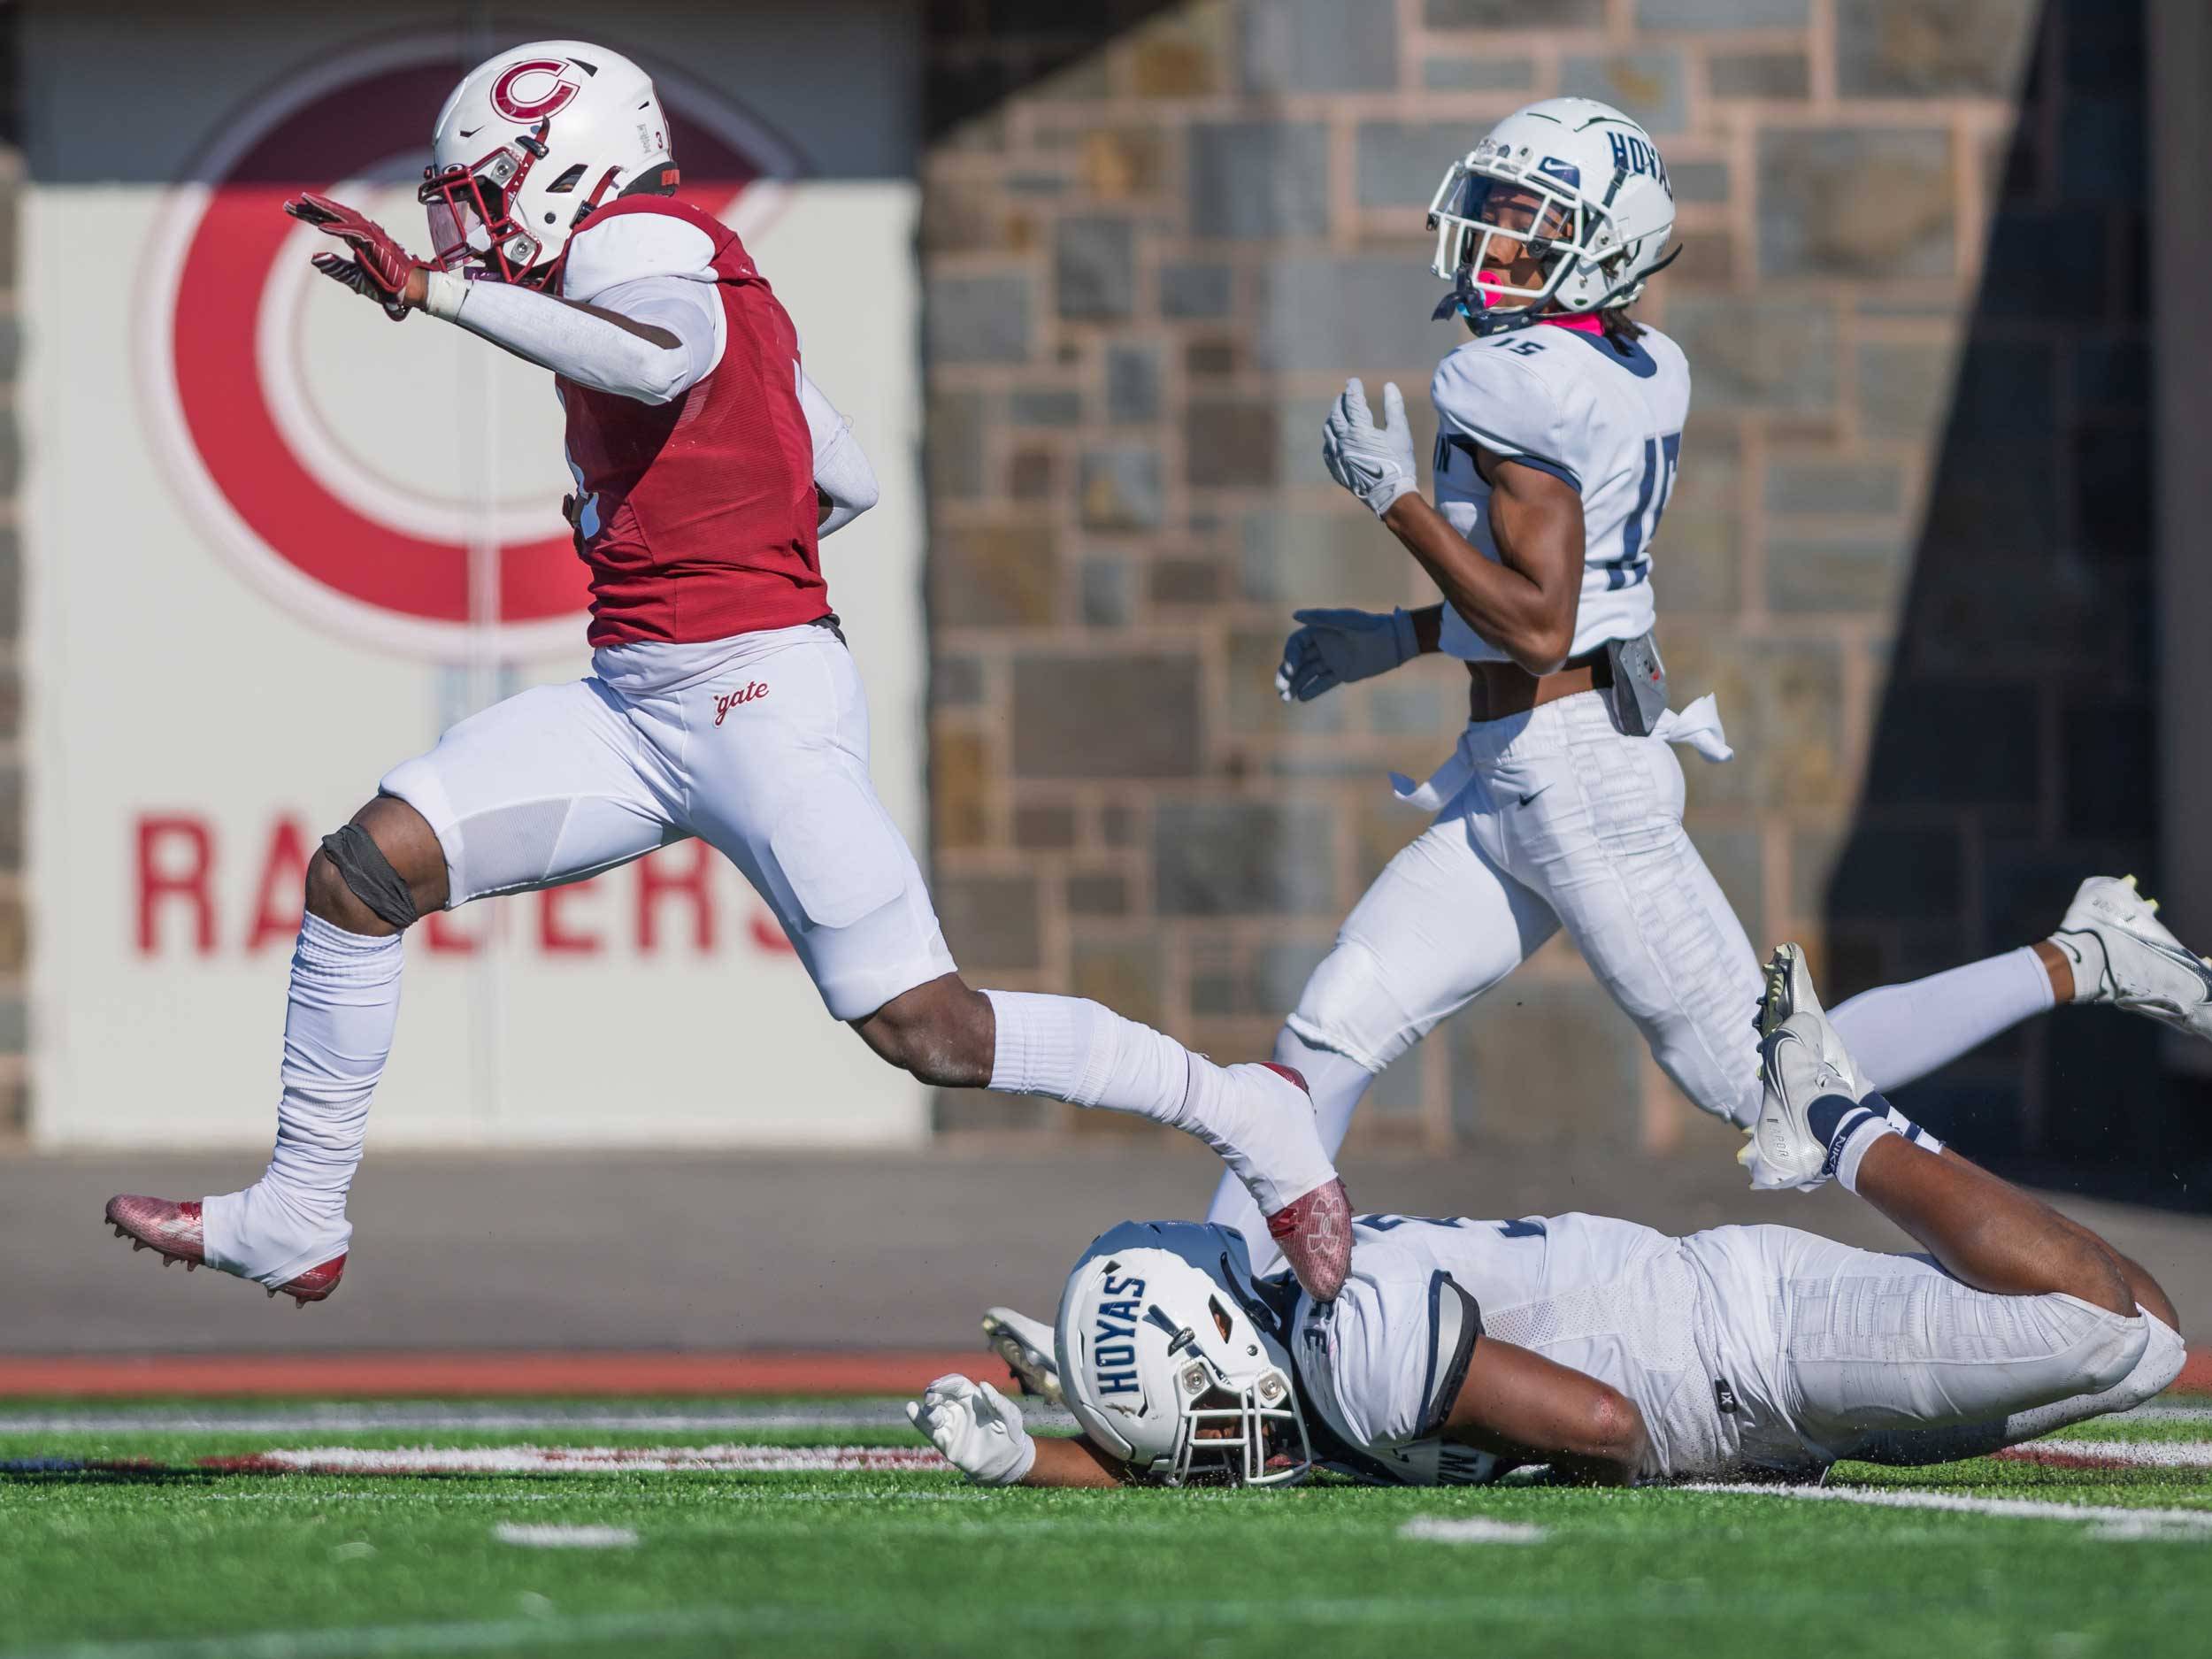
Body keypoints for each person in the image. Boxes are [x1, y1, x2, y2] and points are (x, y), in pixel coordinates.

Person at [101, 40, 1349, 1309]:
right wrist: (704, 520)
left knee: (933, 1031)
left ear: (569, 168)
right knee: (362, 875)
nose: (473, 228)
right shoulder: (689, 262)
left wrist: (437, 295)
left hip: (749, 700)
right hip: (642, 701)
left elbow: (658, 358)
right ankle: (299, 1212)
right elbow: (841, 478)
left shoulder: (635, 242)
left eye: (486, 194)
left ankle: (1243, 1109)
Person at [1203, 93, 2212, 1244]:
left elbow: (1541, 626)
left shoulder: (1512, 380)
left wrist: (1395, 503)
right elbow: (1575, 603)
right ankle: (1217, 1289)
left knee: (1765, 1080)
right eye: (1496, 208)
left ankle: (2083, 957)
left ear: (1604, 246)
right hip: (1520, 767)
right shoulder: (1635, 361)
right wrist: (1397, 637)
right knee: (1329, 1029)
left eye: (1529, 219)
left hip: (1576, 774)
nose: (1494, 237)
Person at [912, 947, 2186, 1489]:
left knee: (2108, 1328)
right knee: (2153, 1338)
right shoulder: (1305, 1328)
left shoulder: (1353, 1346)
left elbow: (1608, 1429)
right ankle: (1843, 1120)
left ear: (1221, 1339)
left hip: (1750, 1353)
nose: (1204, 1453)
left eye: (1193, 1413)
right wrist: (1040, 1457)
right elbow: (1255, 1436)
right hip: (1741, 1368)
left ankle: (1836, 1120)